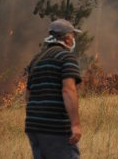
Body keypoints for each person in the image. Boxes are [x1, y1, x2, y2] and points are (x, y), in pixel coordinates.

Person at [25, 19, 82, 159]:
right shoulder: (66, 58)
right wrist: (75, 125)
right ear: (68, 39)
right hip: (54, 128)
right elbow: (68, 90)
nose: (73, 40)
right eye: (73, 36)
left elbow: (27, 95)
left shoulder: (36, 59)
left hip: (33, 127)